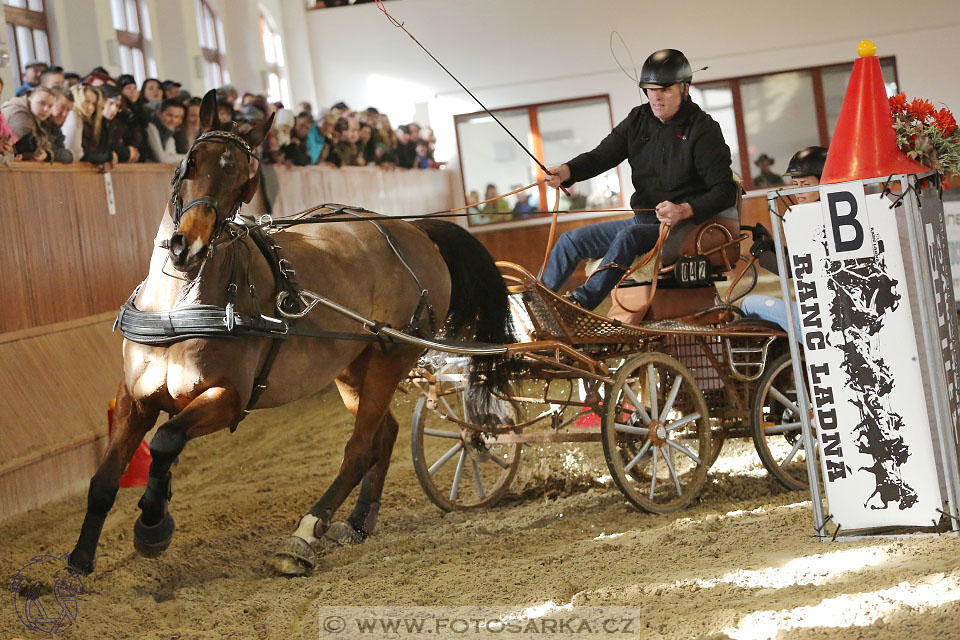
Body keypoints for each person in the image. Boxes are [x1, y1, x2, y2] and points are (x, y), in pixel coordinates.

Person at [541, 48, 737, 309]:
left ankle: (580, 305)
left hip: (682, 227)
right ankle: (538, 303)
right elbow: (601, 157)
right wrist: (567, 171)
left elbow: (724, 190)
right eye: (649, 89)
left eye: (664, 89)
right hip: (644, 220)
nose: (655, 96)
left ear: (685, 88)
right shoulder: (637, 120)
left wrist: (684, 209)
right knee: (570, 241)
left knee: (629, 237)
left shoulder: (703, 129)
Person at [740, 145, 828, 333]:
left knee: (749, 303)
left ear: (824, 182)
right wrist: (772, 245)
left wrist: (762, 253)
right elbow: (805, 254)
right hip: (826, 311)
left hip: (821, 319)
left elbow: (790, 267)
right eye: (795, 185)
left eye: (806, 185)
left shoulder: (816, 217)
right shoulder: (829, 214)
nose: (798, 191)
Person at [1, 86, 55, 161]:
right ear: (29, 98)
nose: (46, 109)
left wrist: (47, 155)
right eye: (41, 103)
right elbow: (28, 150)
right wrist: (43, 154)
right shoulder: (19, 114)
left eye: (50, 106)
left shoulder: (37, 115)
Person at [144, 98, 186, 163]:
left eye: (178, 117)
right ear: (159, 113)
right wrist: (191, 157)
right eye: (170, 115)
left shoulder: (170, 132)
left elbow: (171, 156)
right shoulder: (151, 127)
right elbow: (163, 159)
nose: (174, 120)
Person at [43, 86, 77, 163]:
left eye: (68, 110)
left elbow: (60, 151)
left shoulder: (56, 127)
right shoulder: (39, 124)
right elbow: (45, 150)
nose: (64, 114)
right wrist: (70, 155)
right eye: (61, 107)